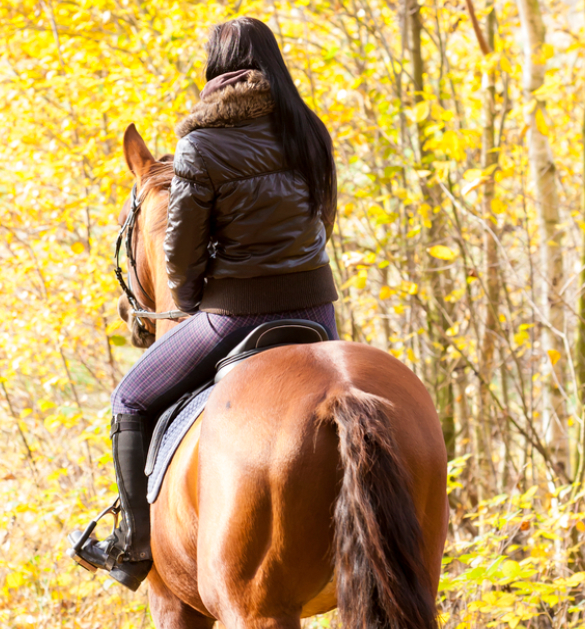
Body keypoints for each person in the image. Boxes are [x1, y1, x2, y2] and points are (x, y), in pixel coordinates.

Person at [68, 16, 341, 590]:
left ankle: (132, 546)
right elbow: (325, 219)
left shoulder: (200, 144)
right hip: (318, 310)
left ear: (216, 69)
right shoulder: (309, 130)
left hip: (235, 313)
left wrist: (191, 303)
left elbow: (180, 254)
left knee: (130, 399)